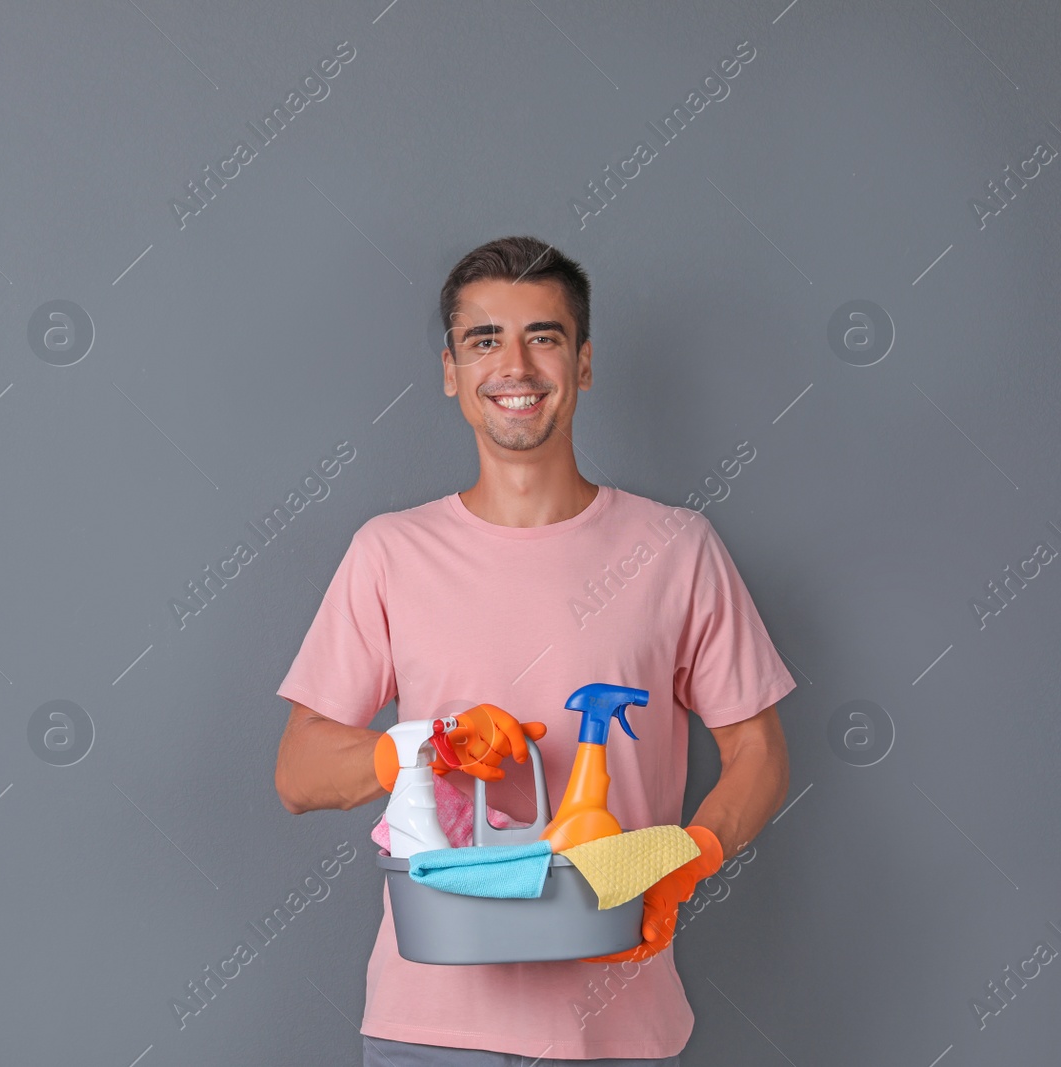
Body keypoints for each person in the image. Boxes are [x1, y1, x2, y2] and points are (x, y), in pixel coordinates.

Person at [272, 236, 795, 1066]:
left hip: (620, 1027)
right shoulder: (390, 552)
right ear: (450, 369)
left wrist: (695, 854)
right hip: (430, 1032)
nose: (515, 364)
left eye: (543, 336)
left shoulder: (677, 548)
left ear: (583, 364)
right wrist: (427, 746)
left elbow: (758, 747)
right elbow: (299, 771)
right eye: (485, 339)